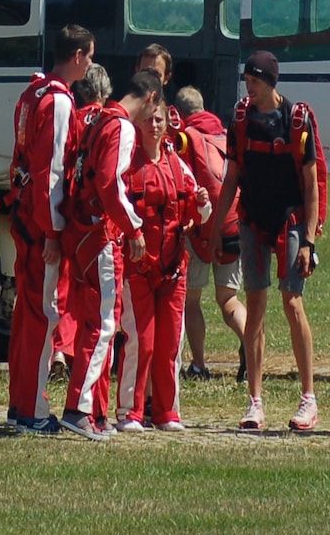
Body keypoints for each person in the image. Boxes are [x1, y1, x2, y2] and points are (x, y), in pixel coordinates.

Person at [206, 50, 324, 433]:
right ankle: (255, 401)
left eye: (254, 81)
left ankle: (308, 398)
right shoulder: (240, 120)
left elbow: (310, 186)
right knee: (255, 305)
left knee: (292, 301)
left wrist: (307, 239)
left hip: (289, 219)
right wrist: (216, 224)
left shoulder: (296, 120)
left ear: (270, 82)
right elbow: (232, 177)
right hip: (253, 221)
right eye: (247, 81)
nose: (248, 88)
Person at [56, 66, 156, 440]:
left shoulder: (99, 119)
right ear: (150, 98)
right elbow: (110, 183)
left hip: (80, 233)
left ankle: (90, 410)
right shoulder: (122, 127)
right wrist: (134, 228)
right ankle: (79, 409)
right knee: (103, 327)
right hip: (99, 236)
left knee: (90, 324)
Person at [5, 24, 96, 433]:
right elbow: (53, 173)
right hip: (42, 227)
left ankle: (19, 403)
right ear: (76, 56)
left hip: (24, 220)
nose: (91, 63)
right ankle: (33, 410)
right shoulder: (59, 101)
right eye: (89, 56)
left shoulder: (32, 94)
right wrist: (56, 232)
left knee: (27, 316)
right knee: (43, 317)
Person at [117, 91, 211, 432]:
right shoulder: (127, 164)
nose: (154, 126)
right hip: (139, 267)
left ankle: (167, 412)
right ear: (137, 122)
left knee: (170, 342)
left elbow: (200, 213)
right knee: (142, 340)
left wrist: (201, 202)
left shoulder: (178, 165)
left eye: (159, 120)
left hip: (173, 269)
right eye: (148, 119)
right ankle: (131, 410)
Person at [172, 86, 245, 380]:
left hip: (201, 230)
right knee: (229, 299)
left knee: (192, 300)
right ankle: (251, 349)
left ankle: (199, 364)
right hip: (232, 227)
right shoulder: (226, 135)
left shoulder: (185, 139)